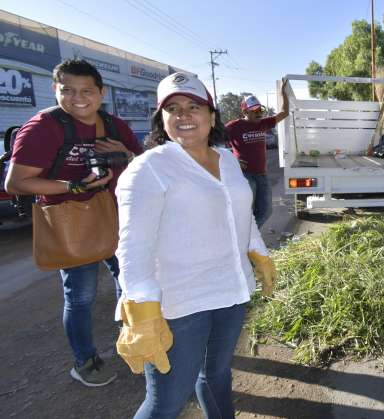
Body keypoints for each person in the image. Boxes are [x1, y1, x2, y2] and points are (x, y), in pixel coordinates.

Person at [114, 72, 277, 418]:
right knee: (166, 402)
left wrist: (259, 254)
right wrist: (141, 312)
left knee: (216, 375)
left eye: (194, 106)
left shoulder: (227, 158)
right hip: (179, 305)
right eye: (173, 108)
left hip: (230, 293)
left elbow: (241, 214)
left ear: (212, 116)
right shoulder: (149, 169)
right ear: (162, 120)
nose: (184, 115)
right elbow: (132, 249)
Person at [5, 59, 142, 387]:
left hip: (117, 219)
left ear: (101, 93)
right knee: (81, 297)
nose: (78, 98)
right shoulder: (42, 127)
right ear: (56, 90)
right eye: (67, 90)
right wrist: (75, 186)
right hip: (71, 224)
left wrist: (125, 151)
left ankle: (136, 340)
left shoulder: (114, 126)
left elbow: (142, 165)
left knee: (132, 285)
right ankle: (85, 361)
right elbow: (16, 182)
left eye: (87, 91)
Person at [225, 83, 289, 228]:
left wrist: (283, 94)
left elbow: (284, 112)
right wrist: (232, 160)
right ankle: (247, 241)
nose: (259, 113)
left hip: (262, 174)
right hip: (244, 175)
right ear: (245, 111)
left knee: (266, 211)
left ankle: (251, 236)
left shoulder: (263, 123)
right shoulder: (233, 127)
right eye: (254, 110)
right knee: (246, 211)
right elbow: (211, 142)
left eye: (260, 109)